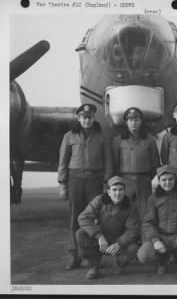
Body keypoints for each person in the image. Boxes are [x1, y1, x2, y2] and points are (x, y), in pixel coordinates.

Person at [57, 103, 113, 270]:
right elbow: (63, 161)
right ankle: (74, 256)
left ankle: (95, 257)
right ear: (79, 118)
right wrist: (62, 183)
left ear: (93, 118)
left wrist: (107, 185)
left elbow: (108, 162)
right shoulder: (69, 136)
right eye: (84, 117)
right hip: (75, 180)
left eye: (90, 117)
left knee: (96, 218)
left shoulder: (102, 136)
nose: (87, 120)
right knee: (75, 218)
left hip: (95, 180)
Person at [137, 165, 177, 275]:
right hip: (161, 236)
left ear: (175, 179)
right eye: (164, 180)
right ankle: (162, 261)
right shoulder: (153, 198)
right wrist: (155, 240)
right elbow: (147, 223)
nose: (167, 182)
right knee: (143, 255)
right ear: (159, 181)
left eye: (170, 179)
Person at [76, 176, 140, 279]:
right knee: (81, 234)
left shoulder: (130, 206)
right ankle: (94, 265)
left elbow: (133, 229)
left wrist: (120, 243)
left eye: (120, 190)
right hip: (101, 240)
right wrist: (99, 236)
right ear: (109, 191)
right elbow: (83, 218)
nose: (117, 193)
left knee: (134, 248)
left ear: (124, 191)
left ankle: (120, 263)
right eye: (114, 190)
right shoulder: (99, 200)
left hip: (118, 240)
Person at [112, 107, 160, 222]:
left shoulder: (149, 140)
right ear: (126, 122)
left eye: (136, 120)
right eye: (131, 120)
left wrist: (147, 177)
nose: (133, 123)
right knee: (125, 212)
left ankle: (144, 238)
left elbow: (155, 162)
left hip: (143, 181)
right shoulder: (118, 140)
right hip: (125, 181)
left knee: (145, 213)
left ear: (141, 121)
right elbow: (114, 162)